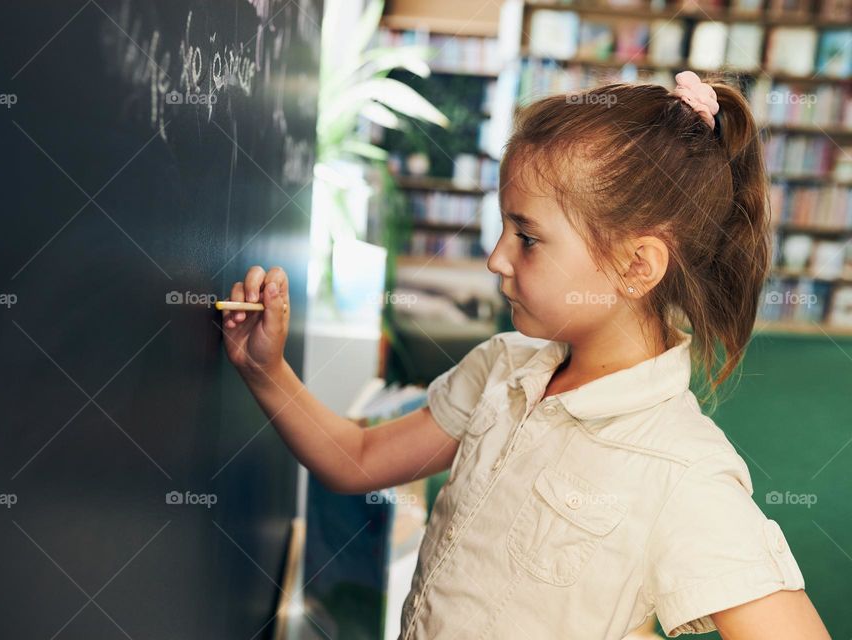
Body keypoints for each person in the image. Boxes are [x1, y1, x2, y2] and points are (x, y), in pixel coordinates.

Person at [220, 71, 831, 639]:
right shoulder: (501, 368)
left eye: (528, 238)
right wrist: (265, 370)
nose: (496, 258)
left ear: (635, 266)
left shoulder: (681, 470)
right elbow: (355, 459)